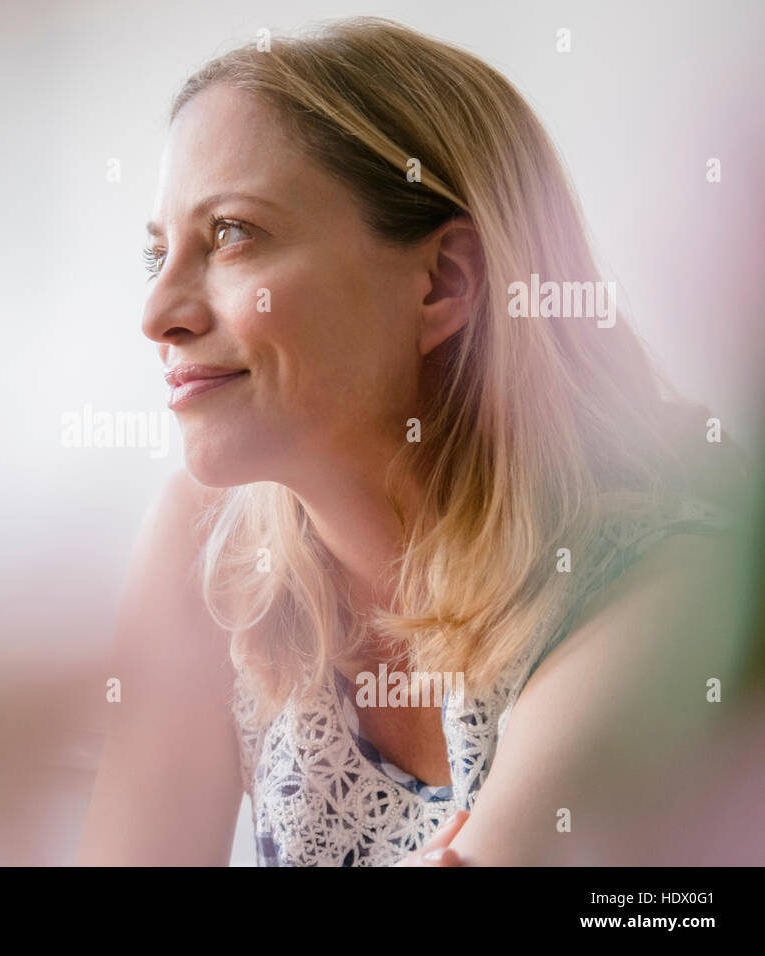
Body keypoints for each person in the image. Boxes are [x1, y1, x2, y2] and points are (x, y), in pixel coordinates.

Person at [76, 16, 755, 866]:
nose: (157, 315)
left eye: (233, 235)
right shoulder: (204, 548)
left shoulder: (666, 577)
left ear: (444, 282)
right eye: (157, 255)